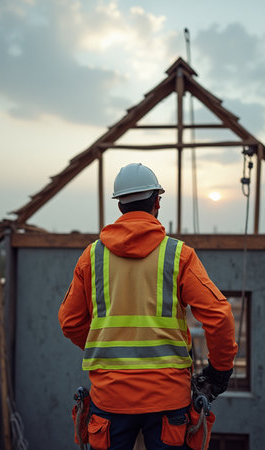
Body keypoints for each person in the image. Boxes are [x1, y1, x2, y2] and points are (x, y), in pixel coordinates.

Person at [59, 163, 238, 449]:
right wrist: (220, 371)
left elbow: (70, 322)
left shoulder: (91, 257)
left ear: (120, 206)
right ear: (157, 201)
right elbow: (219, 316)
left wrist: (108, 348)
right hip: (168, 400)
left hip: (110, 397)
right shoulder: (178, 255)